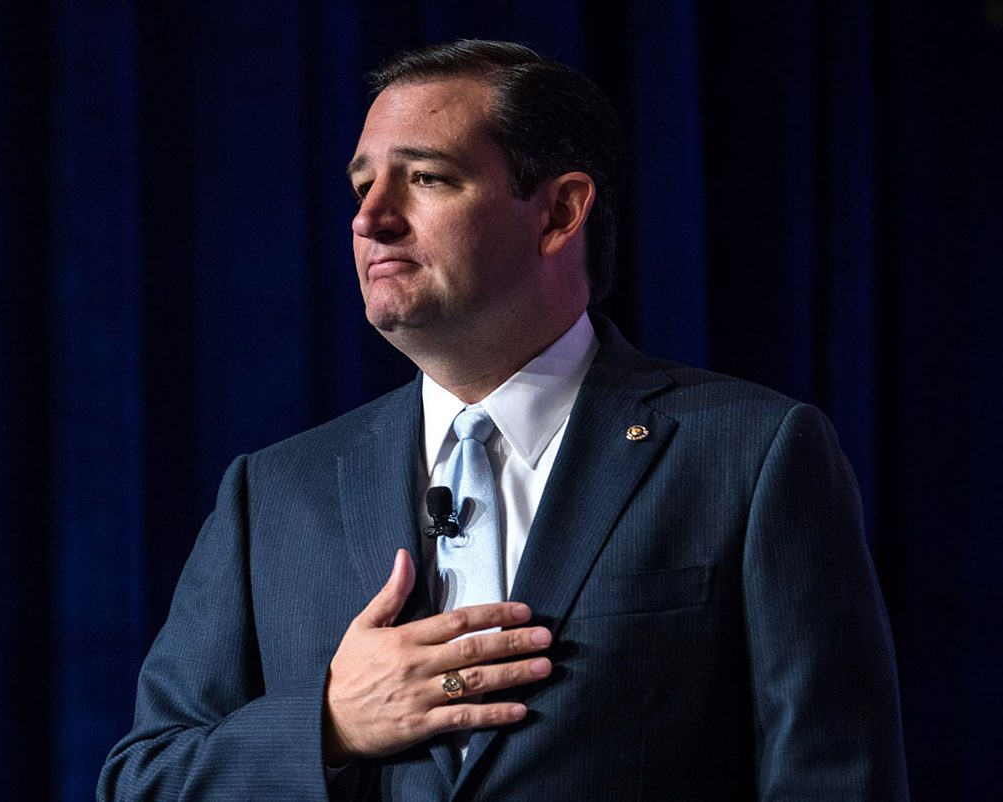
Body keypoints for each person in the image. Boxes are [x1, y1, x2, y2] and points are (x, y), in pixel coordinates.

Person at [99, 40, 907, 800]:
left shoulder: (749, 453)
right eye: (361, 185)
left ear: (558, 212)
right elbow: (145, 779)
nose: (370, 217)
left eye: (425, 178)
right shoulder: (272, 493)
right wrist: (330, 724)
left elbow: (832, 780)